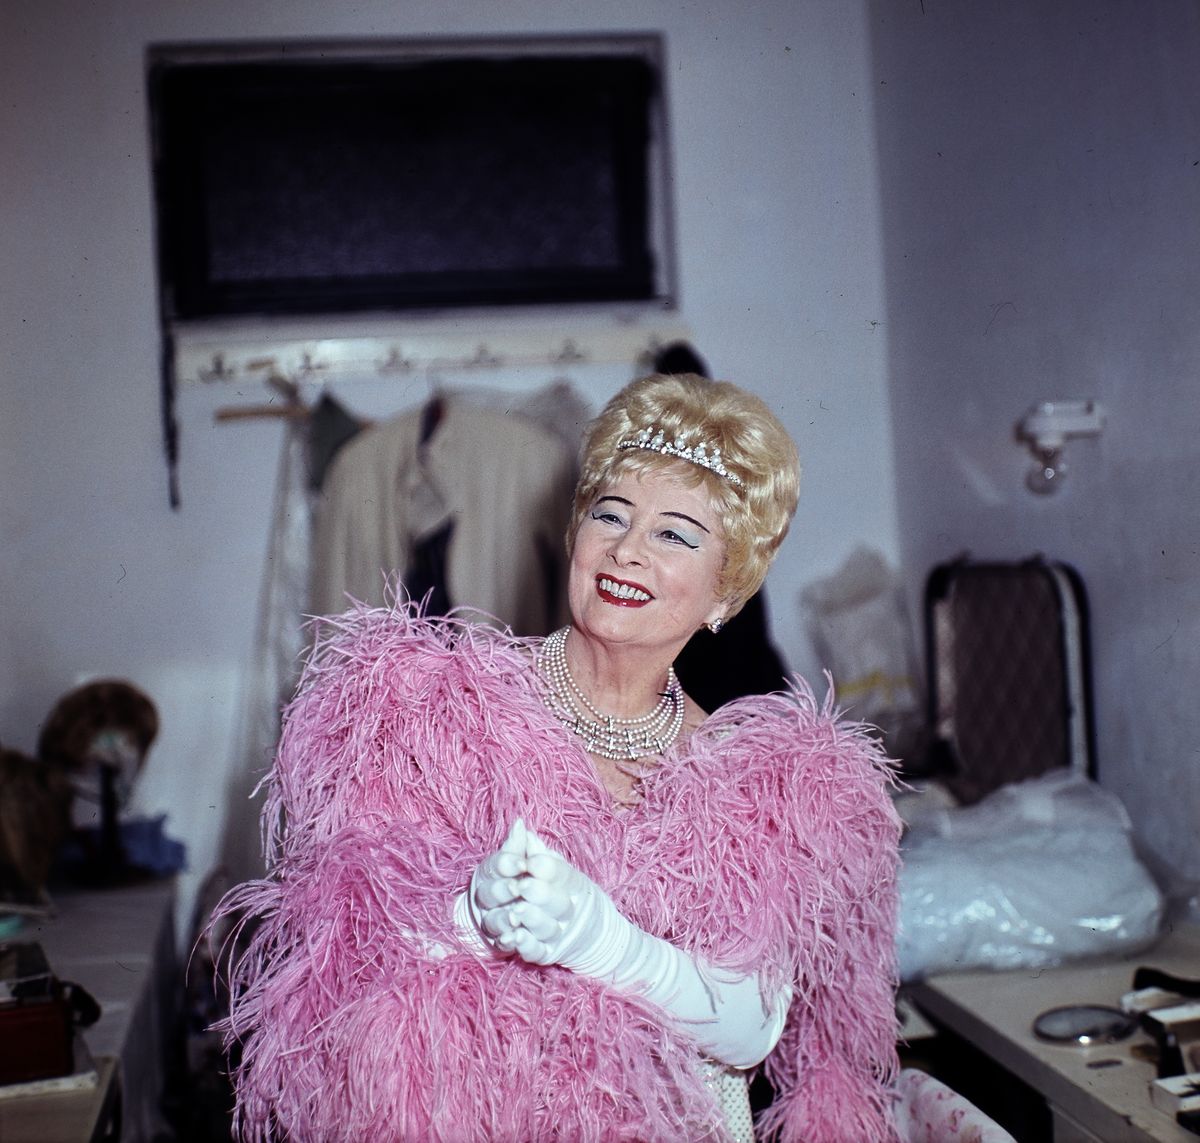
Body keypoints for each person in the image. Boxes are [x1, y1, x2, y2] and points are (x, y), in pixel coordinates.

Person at [214, 373, 902, 1142]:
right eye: (611, 514)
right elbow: (337, 961)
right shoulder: (436, 713)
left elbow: (751, 1028)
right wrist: (469, 912)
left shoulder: (753, 780)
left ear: (724, 594)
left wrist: (605, 943)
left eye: (674, 534)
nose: (627, 549)